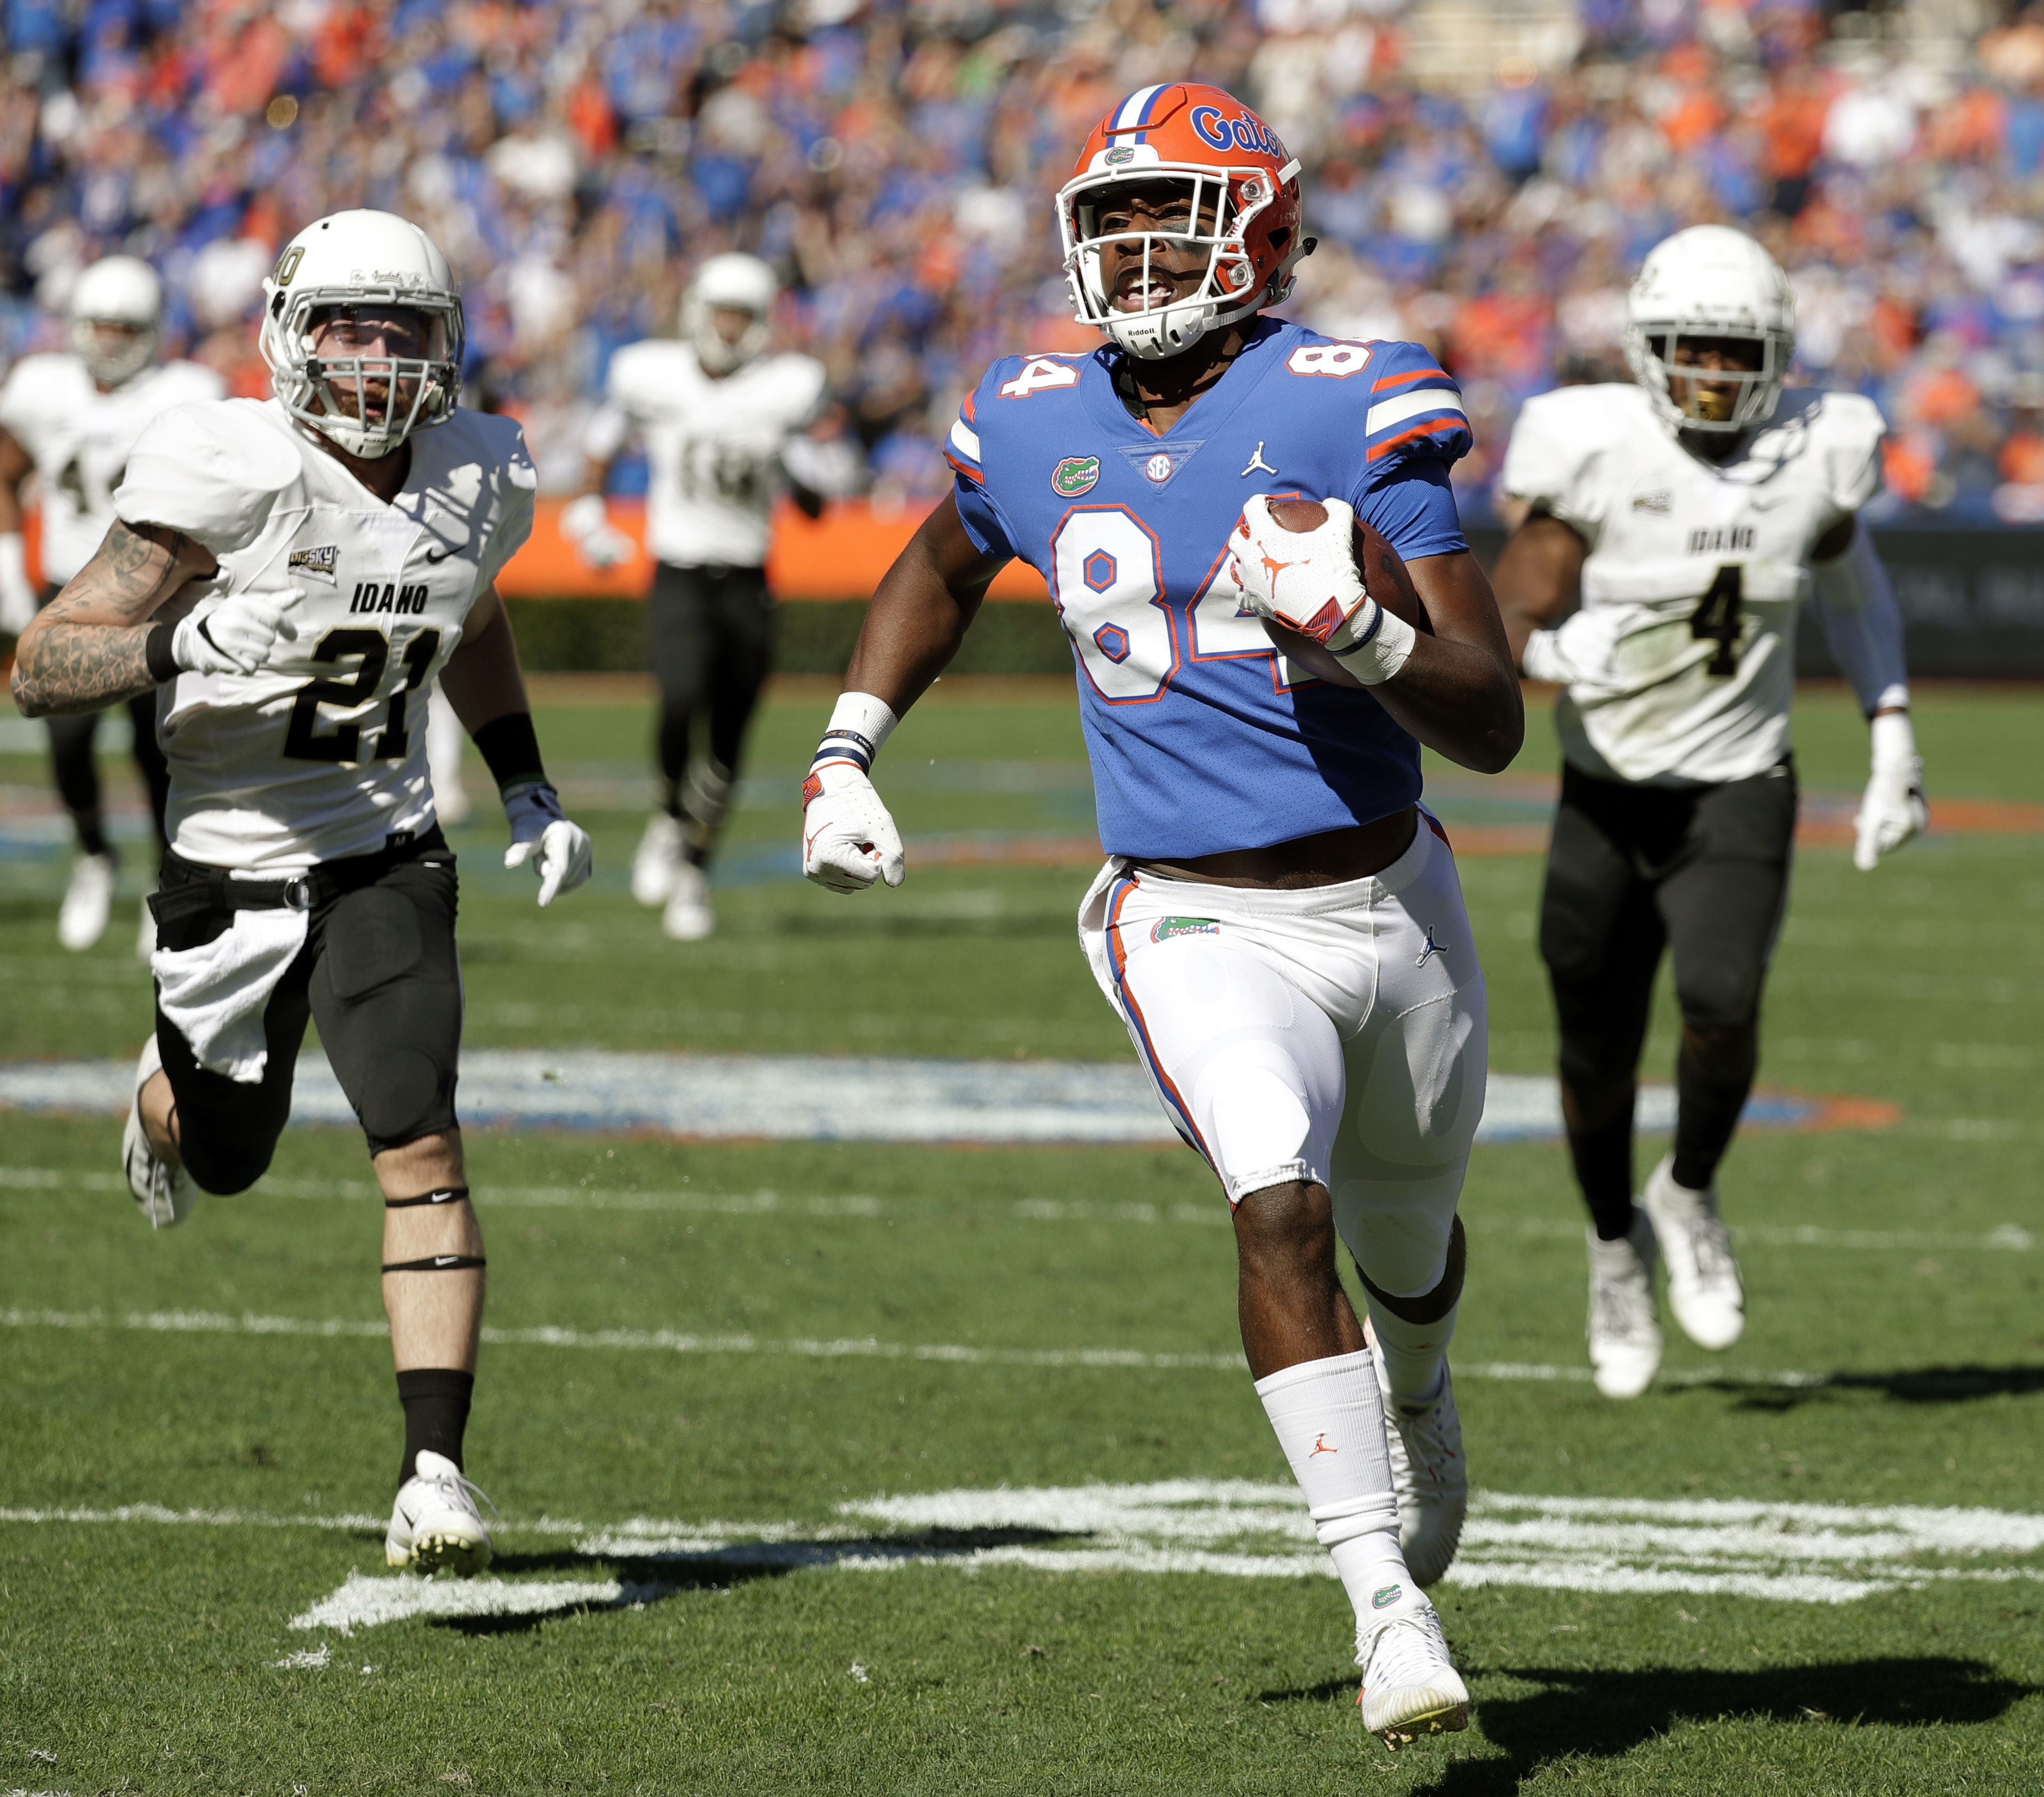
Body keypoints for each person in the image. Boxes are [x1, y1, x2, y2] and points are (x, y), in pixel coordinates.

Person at [800, 84, 1522, 1747]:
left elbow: (1488, 719)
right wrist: (848, 749)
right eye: (1111, 216)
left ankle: (1421, 1398)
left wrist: (1373, 636)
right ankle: (1380, 1604)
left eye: (1170, 210)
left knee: (1407, 1255)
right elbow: (936, 559)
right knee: (1276, 1203)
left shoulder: (1357, 398)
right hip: (1183, 914)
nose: (1132, 247)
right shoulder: (1034, 404)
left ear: (1260, 229)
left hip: (1389, 901)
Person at [7, 210, 592, 1577]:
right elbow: (41, 664)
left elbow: (472, 609)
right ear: (290, 332)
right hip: (229, 857)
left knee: (420, 1142)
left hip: (387, 849)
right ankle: (159, 1097)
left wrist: (525, 783)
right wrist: (185, 632)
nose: (377, 357)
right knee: (231, 1149)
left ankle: (433, 1470)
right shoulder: (226, 463)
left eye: (404, 328)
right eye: (349, 324)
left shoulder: (480, 468)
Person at [1493, 225, 1926, 1401]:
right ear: (1646, 351)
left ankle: (1687, 1188)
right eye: (1692, 350)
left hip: (1740, 778)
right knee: (1592, 1051)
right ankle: (1608, 1245)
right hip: (1606, 790)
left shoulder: (1816, 453)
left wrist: (1891, 731)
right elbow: (1511, 599)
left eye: (1739, 354)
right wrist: (1539, 647)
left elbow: (1854, 583)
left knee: (1723, 1003)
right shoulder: (1591, 446)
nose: (1715, 377)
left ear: (1777, 357)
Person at [562, 252, 828, 942]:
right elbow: (602, 439)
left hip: (747, 576)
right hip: (678, 568)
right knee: (680, 701)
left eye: (744, 315)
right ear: (698, 313)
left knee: (731, 737)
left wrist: (795, 460)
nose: (732, 328)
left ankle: (695, 869)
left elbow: (816, 507)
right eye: (723, 312)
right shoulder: (653, 375)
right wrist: (590, 512)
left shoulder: (784, 389)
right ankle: (667, 818)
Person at [0, 257, 224, 951]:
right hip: (68, 589)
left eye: (127, 327)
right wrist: (10, 561)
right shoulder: (42, 387)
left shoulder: (187, 392)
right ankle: (95, 854)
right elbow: (7, 469)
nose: (110, 339)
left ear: (155, 331)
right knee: (66, 740)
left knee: (156, 746)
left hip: (153, 599)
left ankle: (165, 877)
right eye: (100, 325)